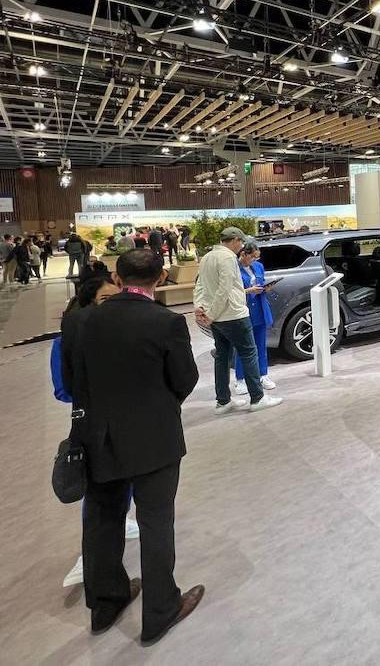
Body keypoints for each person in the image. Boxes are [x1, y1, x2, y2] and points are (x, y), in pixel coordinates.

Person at [63, 249, 204, 644]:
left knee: (102, 520)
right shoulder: (166, 322)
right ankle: (160, 610)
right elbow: (185, 379)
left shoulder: (79, 321)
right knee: (156, 522)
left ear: (117, 277)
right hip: (154, 438)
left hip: (96, 437)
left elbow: (72, 381)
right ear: (160, 278)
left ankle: (105, 605)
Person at [53, 273, 139, 588]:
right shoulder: (70, 337)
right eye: (105, 299)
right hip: (94, 428)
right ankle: (95, 571)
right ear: (89, 303)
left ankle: (122, 525)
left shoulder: (124, 332)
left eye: (116, 298)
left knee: (124, 486)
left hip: (128, 424)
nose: (112, 306)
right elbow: (64, 389)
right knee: (99, 501)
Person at [193, 227, 282, 413]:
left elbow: (200, 285)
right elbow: (224, 289)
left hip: (217, 317)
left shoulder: (207, 257)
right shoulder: (227, 258)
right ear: (234, 240)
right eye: (240, 242)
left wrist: (200, 307)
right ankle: (257, 398)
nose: (241, 246)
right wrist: (211, 314)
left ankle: (223, 401)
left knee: (222, 357)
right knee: (249, 353)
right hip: (232, 315)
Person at [233, 242, 277, 394]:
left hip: (259, 309)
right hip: (243, 310)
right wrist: (249, 290)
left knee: (261, 345)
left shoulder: (258, 267)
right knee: (243, 347)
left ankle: (263, 375)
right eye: (252, 257)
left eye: (257, 257)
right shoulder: (234, 268)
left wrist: (266, 288)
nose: (254, 260)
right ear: (243, 254)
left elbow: (261, 283)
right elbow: (231, 291)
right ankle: (240, 379)